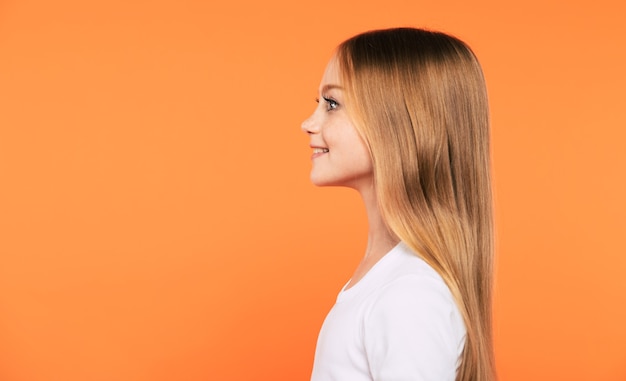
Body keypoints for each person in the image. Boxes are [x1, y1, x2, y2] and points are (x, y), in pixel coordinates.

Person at [301, 28, 496, 381]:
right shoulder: (390, 281)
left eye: (332, 104)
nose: (308, 123)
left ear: (397, 124)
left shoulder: (410, 295)